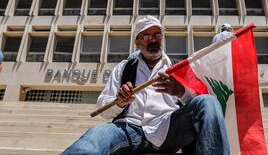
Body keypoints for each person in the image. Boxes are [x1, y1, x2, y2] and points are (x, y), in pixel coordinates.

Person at [61, 15, 230, 155]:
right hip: (128, 129)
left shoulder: (178, 68)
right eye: (147, 36)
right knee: (95, 136)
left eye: (157, 35)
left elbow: (200, 106)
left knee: (208, 102)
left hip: (169, 130)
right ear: (137, 42)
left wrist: (180, 91)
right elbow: (103, 107)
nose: (154, 40)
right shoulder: (124, 67)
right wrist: (119, 102)